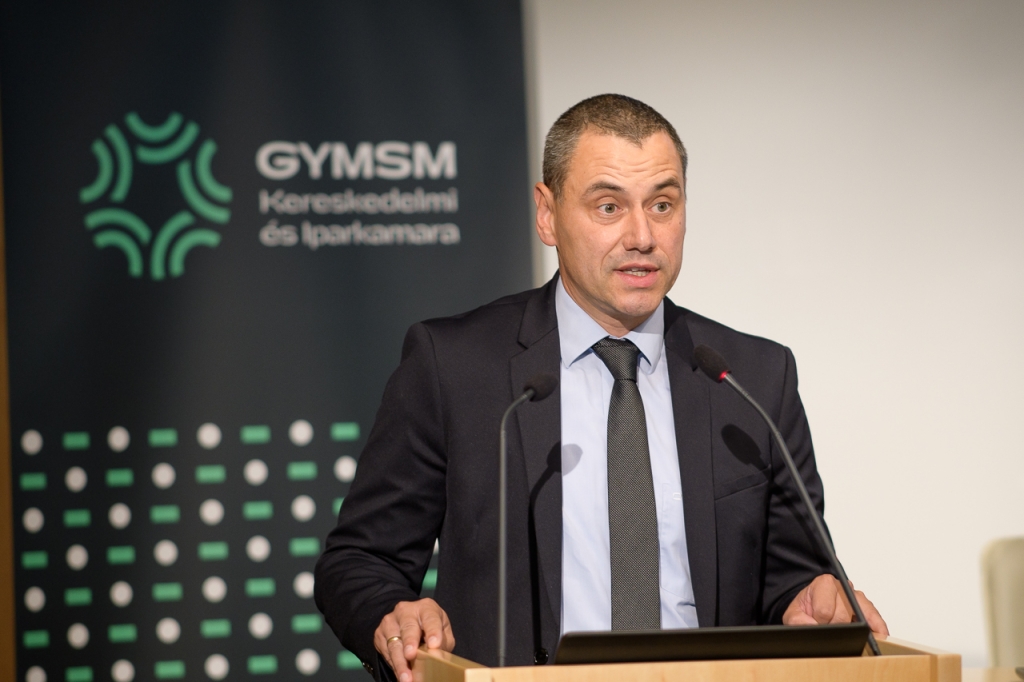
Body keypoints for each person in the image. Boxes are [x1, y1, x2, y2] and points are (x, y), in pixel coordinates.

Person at [315, 94, 887, 682]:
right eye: (609, 206)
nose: (642, 236)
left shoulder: (753, 378)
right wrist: (391, 615)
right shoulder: (456, 367)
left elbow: (792, 578)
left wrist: (810, 600)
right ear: (547, 214)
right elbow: (360, 560)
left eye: (662, 205)